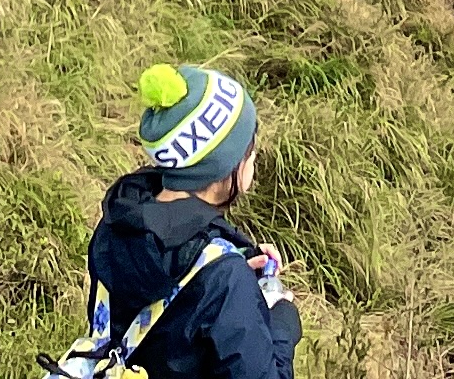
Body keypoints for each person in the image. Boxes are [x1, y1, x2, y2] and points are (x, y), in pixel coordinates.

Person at [71, 62, 300, 379]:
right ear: (222, 166)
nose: (255, 153)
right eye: (249, 146)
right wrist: (282, 323)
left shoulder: (119, 221)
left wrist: (222, 262)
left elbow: (166, 300)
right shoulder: (224, 278)